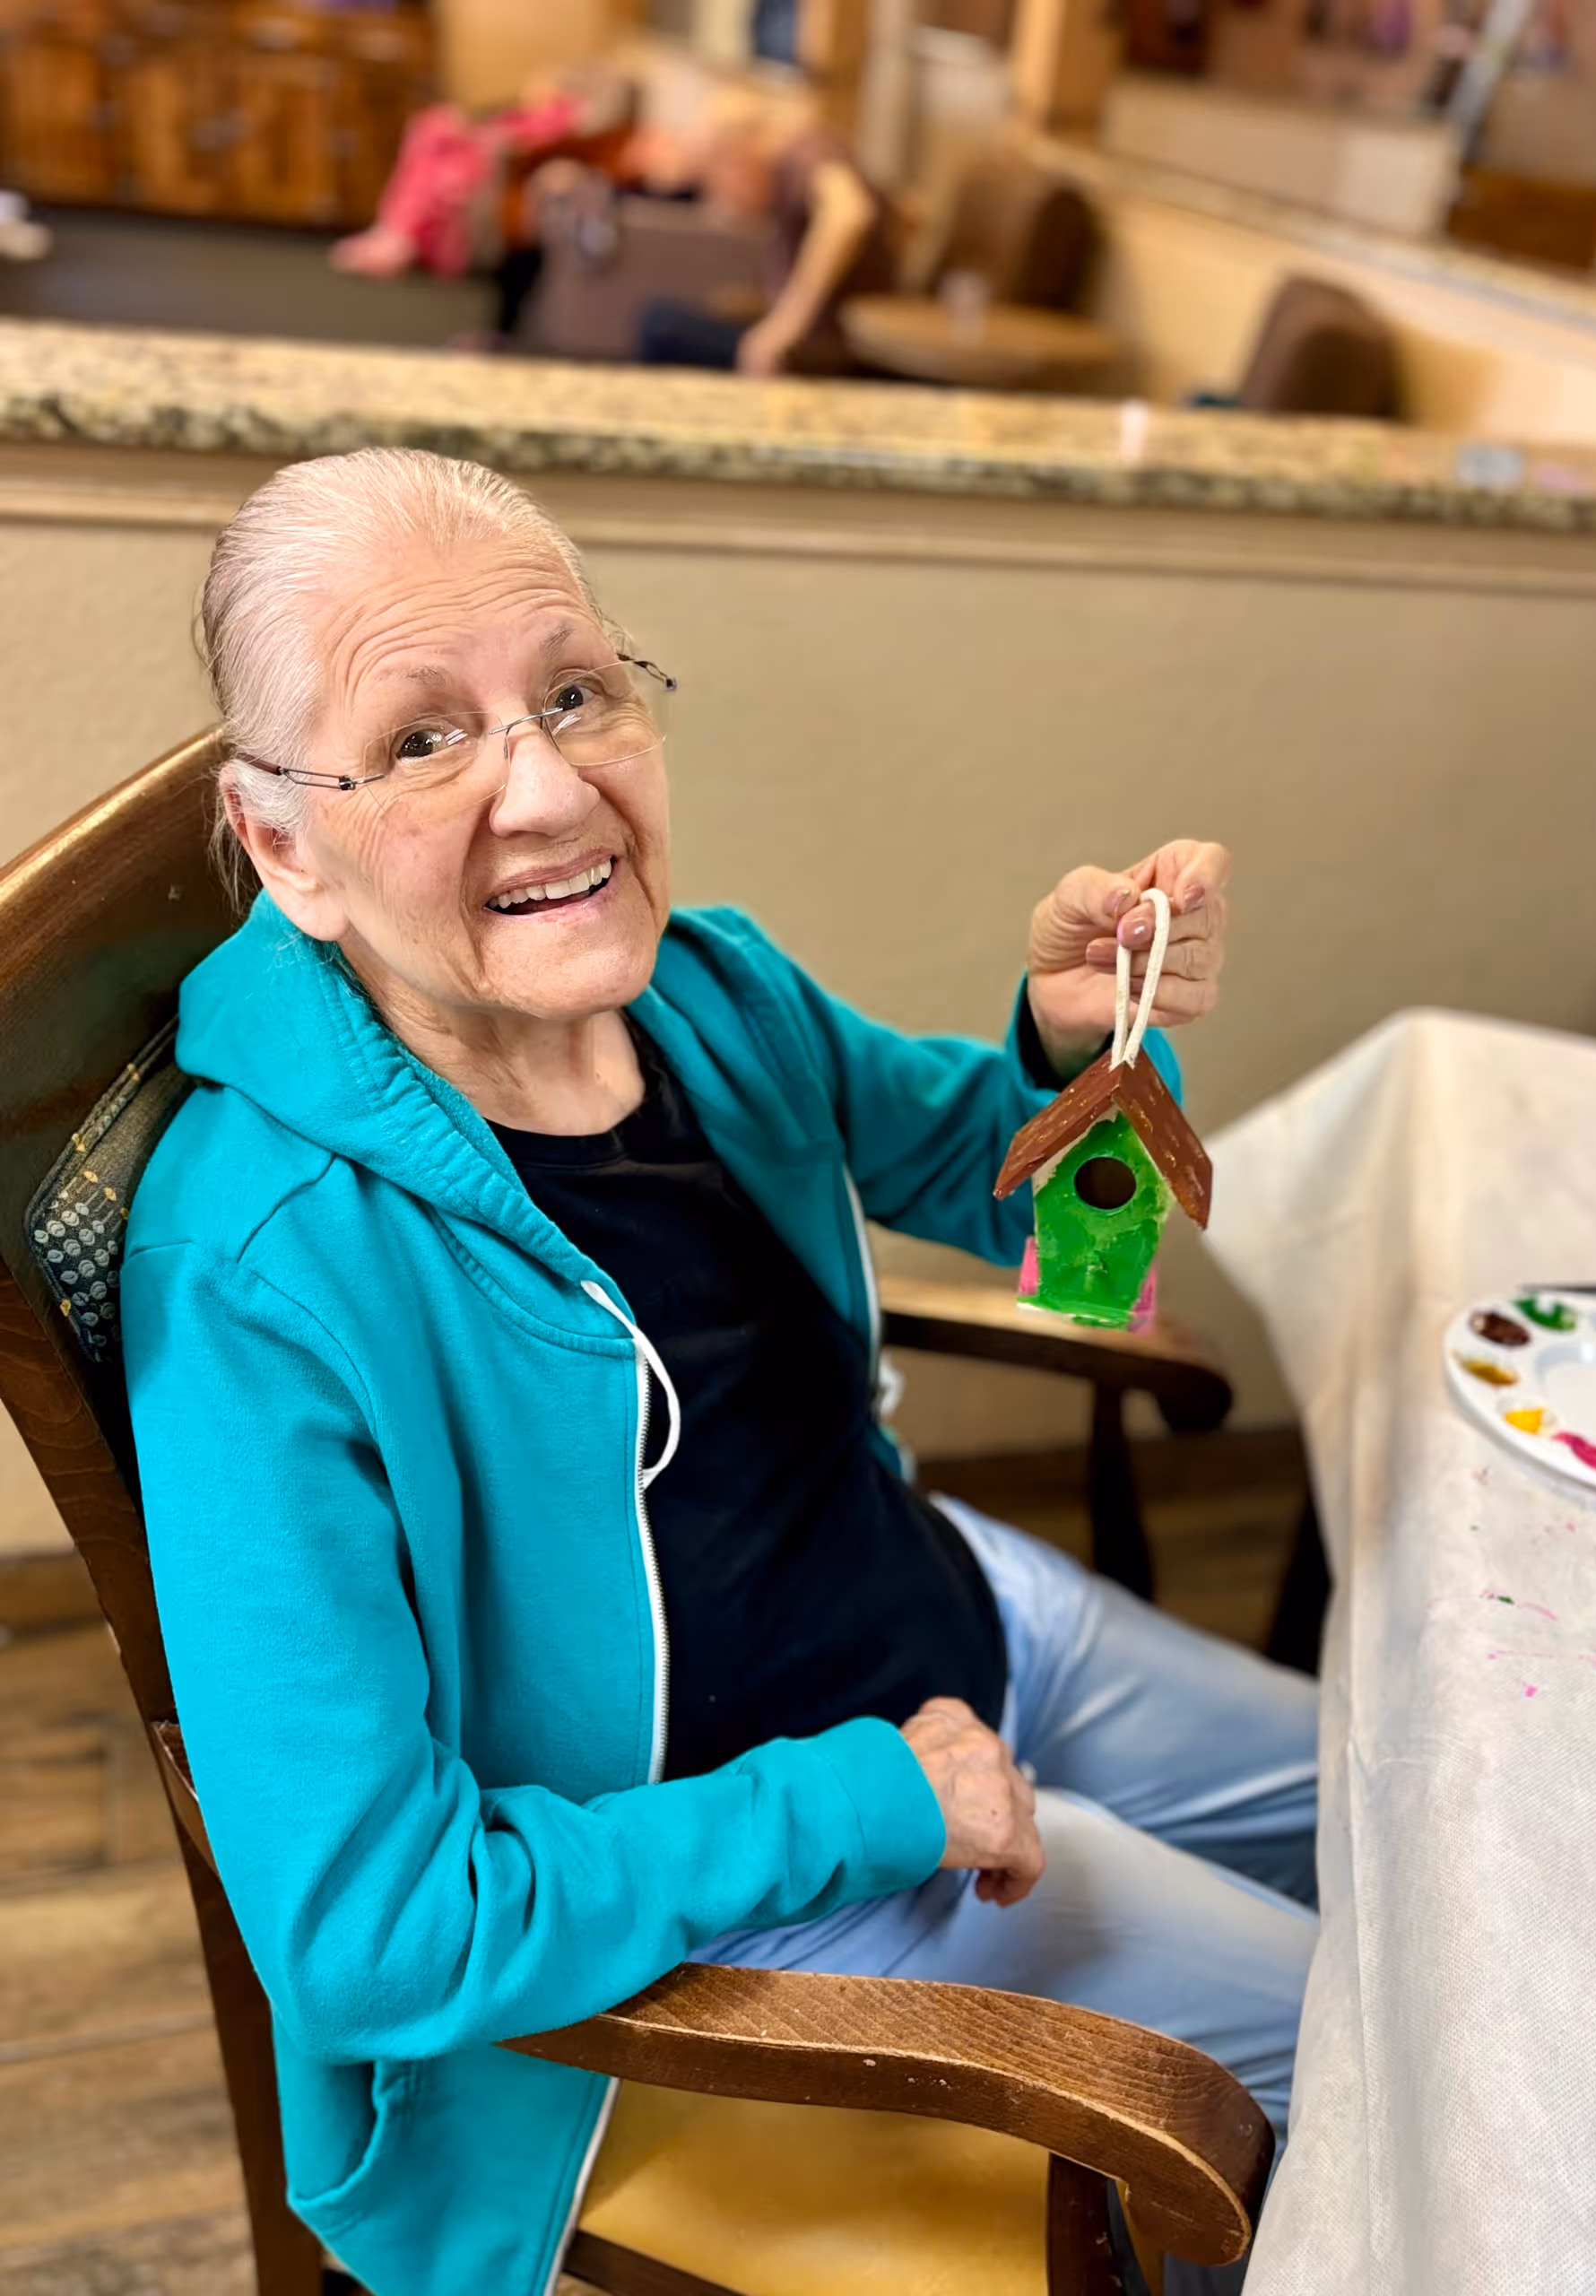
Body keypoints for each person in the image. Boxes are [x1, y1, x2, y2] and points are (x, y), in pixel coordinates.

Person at [123, 448, 1315, 2296]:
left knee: (1422, 1809)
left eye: (577, 689)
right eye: (424, 738)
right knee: (1365, 2034)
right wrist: (871, 1800)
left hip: (964, 1616)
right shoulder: (262, 1268)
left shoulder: (707, 988)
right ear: (286, 845)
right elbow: (368, 1927)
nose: (547, 785)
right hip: (771, 1853)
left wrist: (1073, 1040)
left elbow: (969, 1160)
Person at [636, 99, 898, 375]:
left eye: (718, 182)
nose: (723, 200)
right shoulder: (791, 170)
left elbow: (850, 212)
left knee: (661, 327)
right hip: (811, 338)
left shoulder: (806, 152)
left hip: (826, 348)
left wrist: (783, 328)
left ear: (738, 160)